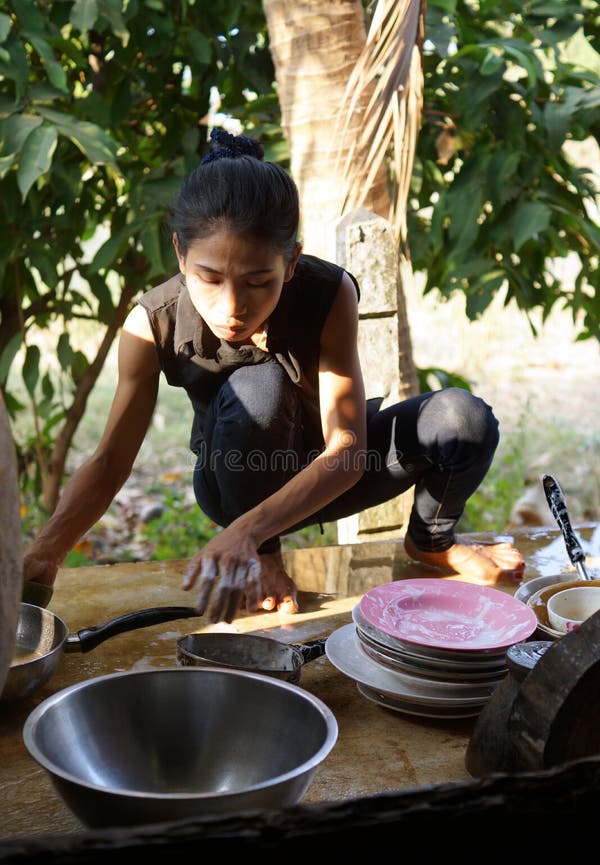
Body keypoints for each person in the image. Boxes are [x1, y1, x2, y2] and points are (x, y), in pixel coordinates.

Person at [23, 128, 525, 624]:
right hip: (234, 476)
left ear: (291, 263)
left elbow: (348, 449)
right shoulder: (153, 322)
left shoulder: (329, 293)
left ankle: (431, 542)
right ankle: (266, 554)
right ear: (180, 254)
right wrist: (45, 553)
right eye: (209, 278)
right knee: (256, 386)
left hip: (330, 472)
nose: (233, 307)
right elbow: (111, 459)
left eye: (258, 281)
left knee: (463, 418)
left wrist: (245, 535)